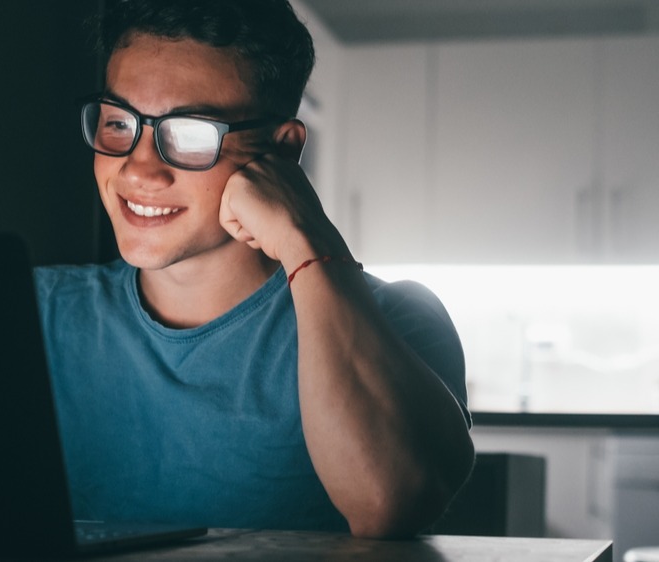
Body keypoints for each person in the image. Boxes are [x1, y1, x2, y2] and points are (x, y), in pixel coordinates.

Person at [34, 0, 474, 538]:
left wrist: (306, 236)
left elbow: (390, 503)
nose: (139, 169)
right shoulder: (31, 312)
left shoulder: (396, 320)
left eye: (190, 133)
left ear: (282, 150)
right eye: (118, 122)